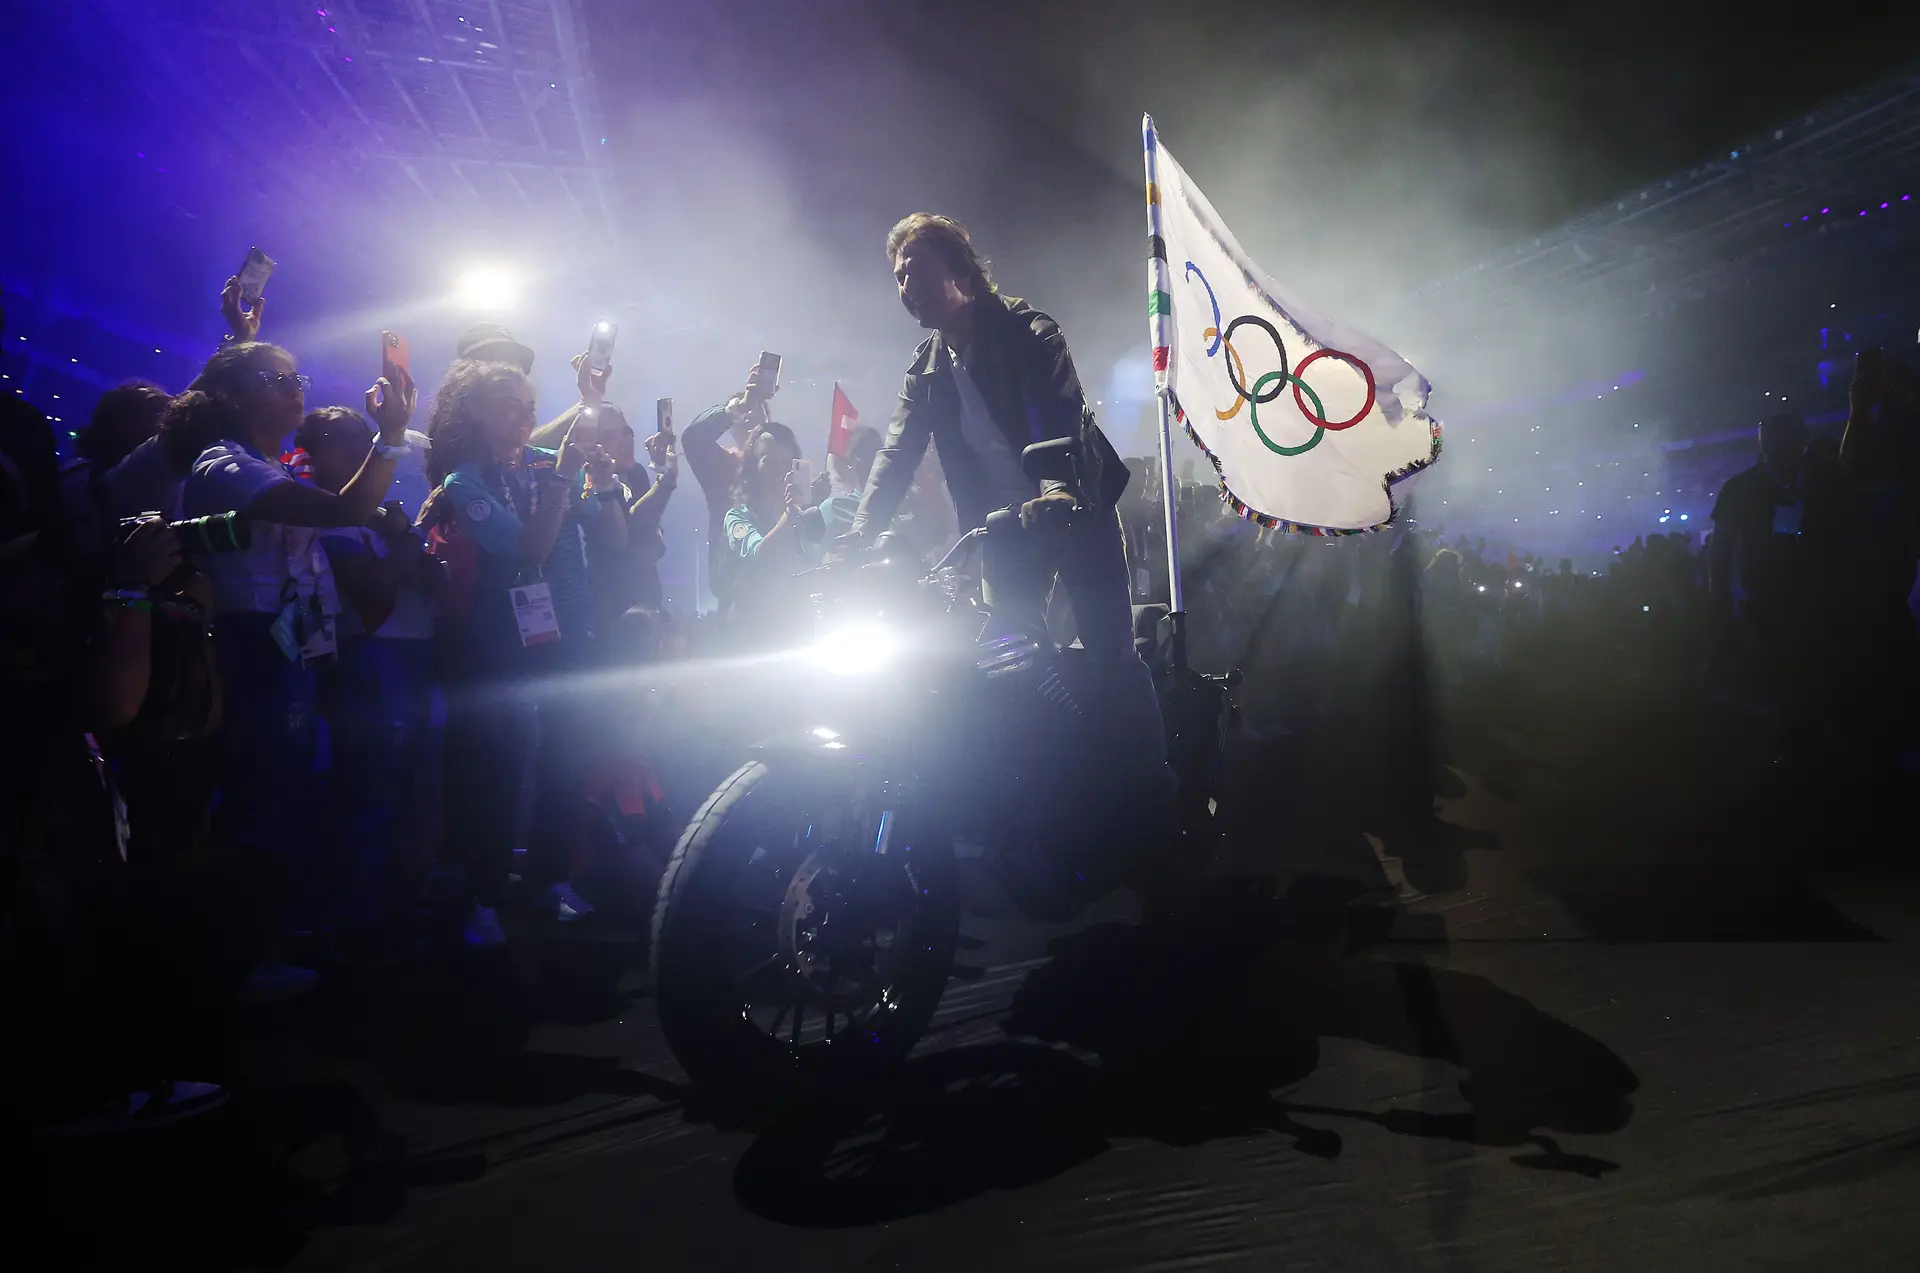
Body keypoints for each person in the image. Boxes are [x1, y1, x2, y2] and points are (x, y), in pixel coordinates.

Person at [845, 212, 1170, 809]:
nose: (907, 287)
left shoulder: (1029, 332)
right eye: (898, 278)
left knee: (1111, 655)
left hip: (1074, 514)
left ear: (961, 269)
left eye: (917, 270)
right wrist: (859, 535)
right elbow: (895, 452)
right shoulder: (924, 372)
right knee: (1009, 658)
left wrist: (1056, 489)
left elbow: (1056, 410)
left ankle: (1154, 792)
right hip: (1004, 529)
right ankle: (1042, 794)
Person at [178, 340, 416, 941]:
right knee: (262, 795)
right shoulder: (225, 464)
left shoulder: (270, 465)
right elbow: (345, 511)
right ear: (231, 397)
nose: (294, 389)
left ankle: (276, 937)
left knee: (288, 791)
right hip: (253, 641)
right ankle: (245, 951)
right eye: (274, 379)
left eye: (295, 378)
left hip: (292, 643)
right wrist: (390, 436)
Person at [416, 360, 620, 945]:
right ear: (475, 410)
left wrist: (604, 483)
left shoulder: (544, 463)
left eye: (530, 406)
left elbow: (611, 535)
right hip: (496, 640)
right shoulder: (463, 482)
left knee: (568, 760)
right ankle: (480, 895)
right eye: (510, 404)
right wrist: (564, 479)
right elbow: (529, 549)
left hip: (563, 634)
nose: (525, 417)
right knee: (498, 768)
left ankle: (547, 881)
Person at [299, 406, 442, 945]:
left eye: (368, 438)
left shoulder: (376, 518)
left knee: (410, 792)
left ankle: (395, 903)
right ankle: (359, 919)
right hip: (372, 659)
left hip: (414, 657)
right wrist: (412, 536)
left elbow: (426, 578)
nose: (362, 448)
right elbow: (376, 585)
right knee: (371, 795)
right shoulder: (322, 517)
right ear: (314, 450)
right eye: (347, 438)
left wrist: (409, 538)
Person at [682, 361, 781, 614]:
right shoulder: (723, 468)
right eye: (744, 414)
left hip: (781, 585)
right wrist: (741, 405)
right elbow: (693, 438)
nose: (749, 419)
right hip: (736, 587)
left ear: (767, 420)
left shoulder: (784, 464)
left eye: (756, 410)